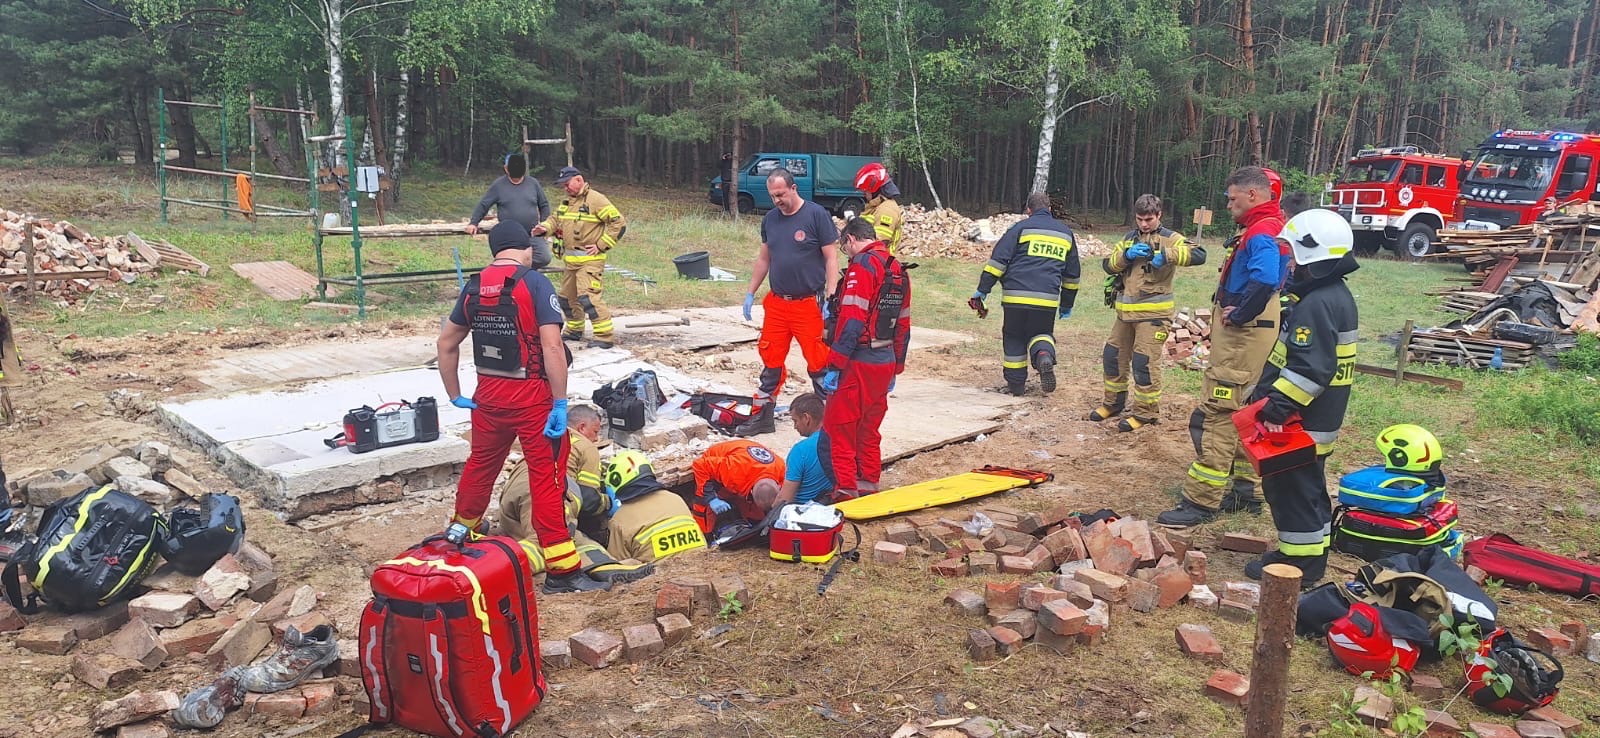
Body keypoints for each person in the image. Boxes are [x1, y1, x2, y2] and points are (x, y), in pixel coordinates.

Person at [436, 220, 607, 594]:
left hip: (488, 397)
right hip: (532, 401)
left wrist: (455, 394)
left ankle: (462, 532)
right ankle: (563, 569)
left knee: (481, 465)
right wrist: (560, 403)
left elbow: (446, 343)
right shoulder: (534, 282)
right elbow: (550, 347)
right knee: (547, 477)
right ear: (526, 248)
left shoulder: (475, 286)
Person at [1157, 166, 1289, 528]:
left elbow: (1263, 280)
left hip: (1244, 335)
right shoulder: (1271, 227)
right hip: (1256, 334)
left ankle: (1200, 501)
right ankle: (1246, 491)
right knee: (1247, 409)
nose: (1229, 205)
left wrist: (1239, 313)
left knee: (1218, 410)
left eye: (1232, 199)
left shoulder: (1261, 233)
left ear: (1253, 195)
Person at [1243, 208, 1360, 584]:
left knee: (1291, 491)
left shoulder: (1317, 304)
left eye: (1295, 256)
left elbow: (1310, 369)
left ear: (1314, 257)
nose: (1291, 264)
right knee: (1308, 491)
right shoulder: (1334, 296)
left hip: (1299, 422)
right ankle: (1311, 551)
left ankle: (1299, 565)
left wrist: (1276, 407)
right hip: (1317, 420)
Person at [1088, 194, 1205, 432]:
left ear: (1159, 215)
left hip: (1153, 315)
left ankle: (1146, 413)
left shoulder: (1170, 238)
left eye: (1149, 219)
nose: (1144, 224)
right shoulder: (1129, 239)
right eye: (1140, 219)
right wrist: (1125, 256)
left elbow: (1199, 255)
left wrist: (1168, 255)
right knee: (1113, 356)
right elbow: (1108, 265)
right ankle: (1113, 404)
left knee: (1144, 363)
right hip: (1125, 314)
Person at [737, 168, 840, 436]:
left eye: (781, 194)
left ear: (794, 189)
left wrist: (831, 294)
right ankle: (762, 418)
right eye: (773, 196)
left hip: (808, 303)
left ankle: (828, 423)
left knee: (819, 364)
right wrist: (750, 292)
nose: (777, 200)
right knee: (771, 361)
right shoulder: (770, 220)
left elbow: (831, 257)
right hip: (778, 304)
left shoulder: (816, 215)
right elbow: (764, 259)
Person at [819, 217, 911, 499]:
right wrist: (897, 365)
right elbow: (904, 323)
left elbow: (852, 319)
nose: (847, 254)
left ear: (851, 240)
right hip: (884, 362)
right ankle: (869, 484)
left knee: (841, 427)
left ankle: (846, 489)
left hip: (859, 361)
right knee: (869, 429)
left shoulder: (862, 266)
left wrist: (835, 364)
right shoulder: (897, 269)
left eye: (845, 247)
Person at [970, 192, 1080, 396]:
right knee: (1042, 333)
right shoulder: (1065, 233)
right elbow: (1072, 275)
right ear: (1050, 209)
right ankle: (1044, 356)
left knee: (1014, 337)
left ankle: (1016, 385)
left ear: (1028, 210)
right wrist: (1066, 304)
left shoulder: (1020, 229)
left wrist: (982, 290)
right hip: (1046, 300)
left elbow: (998, 261)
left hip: (1015, 298)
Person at [497, 461, 655, 584]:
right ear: (583, 426)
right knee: (549, 541)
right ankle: (499, 570)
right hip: (547, 486)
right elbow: (590, 496)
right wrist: (607, 502)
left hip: (515, 493)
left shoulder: (547, 437)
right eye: (595, 431)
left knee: (577, 539)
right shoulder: (585, 447)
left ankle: (603, 565)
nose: (595, 436)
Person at [534, 166, 626, 348]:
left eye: (567, 184)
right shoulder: (568, 202)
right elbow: (555, 219)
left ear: (579, 180)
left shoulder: (596, 200)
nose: (565, 188)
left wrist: (601, 245)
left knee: (588, 297)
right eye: (563, 186)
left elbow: (618, 223)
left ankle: (604, 337)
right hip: (571, 262)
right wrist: (544, 227)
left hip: (590, 261)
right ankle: (574, 330)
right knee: (567, 298)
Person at [603, 450, 708, 563]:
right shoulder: (675, 499)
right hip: (701, 567)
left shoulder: (619, 520)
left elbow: (617, 568)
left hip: (659, 578)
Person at [466, 152, 553, 268]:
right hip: (510, 235)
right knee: (509, 261)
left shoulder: (533, 183)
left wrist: (544, 224)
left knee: (544, 257)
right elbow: (484, 205)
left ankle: (521, 270)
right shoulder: (498, 185)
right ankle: (516, 272)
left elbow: (544, 205)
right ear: (506, 169)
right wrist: (473, 223)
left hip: (532, 233)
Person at [690, 439, 786, 533]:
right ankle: (704, 533)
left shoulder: (782, 471)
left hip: (743, 456)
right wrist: (711, 498)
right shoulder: (733, 469)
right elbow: (700, 465)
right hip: (713, 464)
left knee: (759, 519)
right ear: (751, 492)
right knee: (703, 501)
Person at [774, 393, 835, 507]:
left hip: (803, 512)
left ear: (807, 418)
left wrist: (769, 513)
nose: (795, 426)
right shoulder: (838, 441)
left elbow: (784, 499)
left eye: (795, 421)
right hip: (831, 506)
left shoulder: (800, 450)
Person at [855, 162, 905, 254]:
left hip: (879, 263)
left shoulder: (887, 210)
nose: (864, 194)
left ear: (874, 189)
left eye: (866, 191)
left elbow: (880, 243)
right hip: (869, 260)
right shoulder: (875, 207)